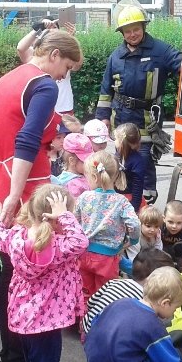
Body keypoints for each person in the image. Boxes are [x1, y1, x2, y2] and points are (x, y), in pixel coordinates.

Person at [0, 29, 83, 362]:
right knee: (31, 274)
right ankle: (24, 355)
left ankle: (13, 354)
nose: (63, 77)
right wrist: (14, 195)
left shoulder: (8, 79)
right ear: (53, 54)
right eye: (65, 67)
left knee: (9, 270)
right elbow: (26, 138)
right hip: (23, 185)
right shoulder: (44, 85)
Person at [0, 185, 89, 362]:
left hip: (22, 317)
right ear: (56, 216)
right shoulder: (60, 244)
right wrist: (64, 216)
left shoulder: (15, 237)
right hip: (47, 321)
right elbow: (81, 240)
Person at [95, 2, 181, 204]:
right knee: (121, 162)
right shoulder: (116, 56)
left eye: (136, 29)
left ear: (144, 27)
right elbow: (106, 90)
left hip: (146, 119)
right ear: (122, 33)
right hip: (121, 118)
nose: (132, 34)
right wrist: (103, 118)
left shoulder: (160, 50)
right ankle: (123, 202)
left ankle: (146, 204)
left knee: (143, 162)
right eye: (127, 31)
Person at [75, 151, 141, 305]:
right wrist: (133, 240)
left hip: (84, 255)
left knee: (85, 293)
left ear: (94, 177)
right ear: (116, 176)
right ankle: (101, 324)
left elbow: (75, 222)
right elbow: (135, 224)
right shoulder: (121, 201)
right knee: (105, 296)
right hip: (107, 259)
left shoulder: (84, 197)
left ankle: (83, 324)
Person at [16, 18, 79, 116]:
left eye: (54, 27)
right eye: (46, 29)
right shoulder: (36, 55)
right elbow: (21, 48)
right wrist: (38, 28)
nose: (50, 30)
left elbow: (77, 65)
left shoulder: (64, 55)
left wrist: (71, 40)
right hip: (42, 108)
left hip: (64, 107)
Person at [113, 123, 145, 211]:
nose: (114, 141)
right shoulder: (137, 160)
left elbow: (137, 187)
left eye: (115, 139)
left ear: (120, 142)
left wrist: (133, 208)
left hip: (127, 200)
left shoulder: (135, 161)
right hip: (123, 200)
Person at [52, 132, 92, 199]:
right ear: (72, 161)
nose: (90, 163)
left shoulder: (85, 175)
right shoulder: (72, 185)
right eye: (85, 161)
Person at [161, 200, 182, 271]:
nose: (174, 226)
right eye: (170, 222)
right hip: (162, 257)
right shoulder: (159, 229)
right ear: (164, 218)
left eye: (179, 223)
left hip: (180, 258)